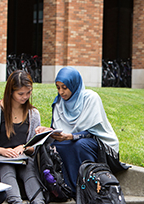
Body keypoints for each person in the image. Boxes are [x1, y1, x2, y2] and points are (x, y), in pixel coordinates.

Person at [36, 66, 125, 197]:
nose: (61, 92)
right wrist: (48, 131)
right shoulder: (59, 102)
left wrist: (71, 136)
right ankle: (64, 187)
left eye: (64, 87)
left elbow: (93, 131)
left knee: (79, 145)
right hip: (69, 140)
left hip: (97, 142)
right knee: (53, 146)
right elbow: (57, 128)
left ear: (74, 84)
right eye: (58, 87)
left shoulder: (90, 98)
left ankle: (84, 186)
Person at [0, 70, 49, 204]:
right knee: (7, 168)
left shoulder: (32, 113)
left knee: (30, 167)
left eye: (28, 93)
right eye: (21, 94)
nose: (25, 97)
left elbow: (33, 147)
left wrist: (24, 147)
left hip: (22, 159)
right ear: (10, 92)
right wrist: (3, 151)